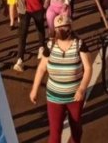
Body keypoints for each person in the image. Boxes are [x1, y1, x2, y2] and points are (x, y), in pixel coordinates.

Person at [30, 14, 92, 143]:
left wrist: (81, 89)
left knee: (76, 130)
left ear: (70, 28)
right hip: (54, 97)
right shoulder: (50, 45)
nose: (60, 31)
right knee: (55, 133)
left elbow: (88, 69)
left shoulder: (79, 44)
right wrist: (34, 89)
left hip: (75, 97)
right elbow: (42, 68)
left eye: (63, 28)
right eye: (58, 28)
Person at [13, 0, 49, 72]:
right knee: (22, 34)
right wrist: (17, 4)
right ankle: (20, 59)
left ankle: (41, 47)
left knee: (40, 28)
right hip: (24, 8)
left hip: (38, 6)